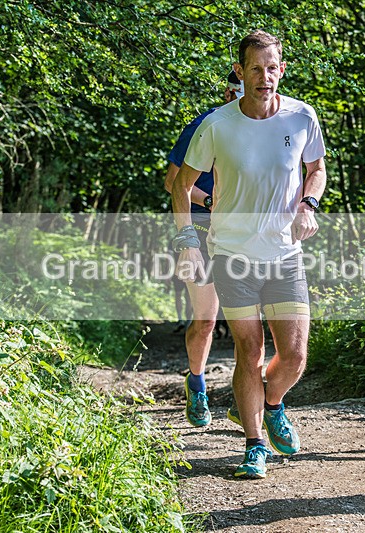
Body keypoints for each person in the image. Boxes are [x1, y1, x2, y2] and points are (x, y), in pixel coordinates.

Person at [171, 29, 327, 479]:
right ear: (241, 72)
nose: (264, 77)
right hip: (232, 254)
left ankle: (268, 401)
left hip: (284, 253)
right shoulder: (217, 124)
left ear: (282, 69)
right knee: (249, 348)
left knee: (295, 355)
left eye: (271, 67)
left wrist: (308, 204)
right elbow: (181, 185)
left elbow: (316, 169)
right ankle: (255, 443)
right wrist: (187, 243)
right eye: (255, 69)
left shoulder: (301, 117)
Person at [164, 70, 244, 427]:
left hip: (245, 234)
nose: (236, 102)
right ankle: (196, 384)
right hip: (201, 227)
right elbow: (173, 182)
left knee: (249, 321)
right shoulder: (204, 125)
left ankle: (246, 397)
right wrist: (212, 199)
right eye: (232, 94)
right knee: (207, 319)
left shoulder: (268, 128)